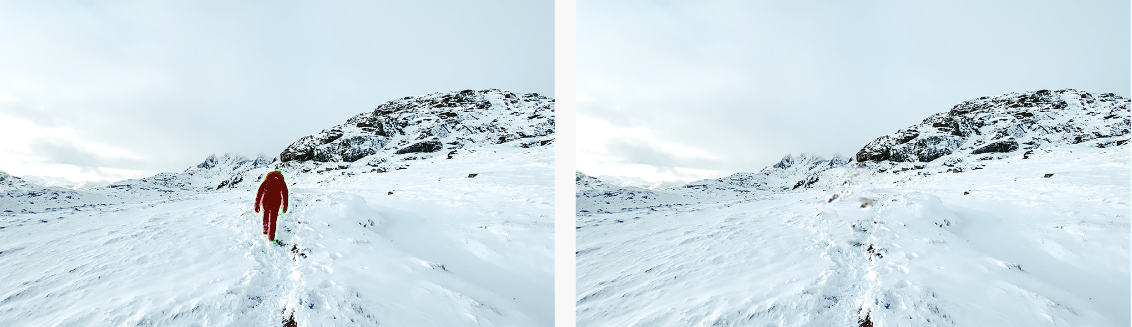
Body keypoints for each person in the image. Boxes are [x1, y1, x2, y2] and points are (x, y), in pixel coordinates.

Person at [255, 170, 289, 244]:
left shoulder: (266, 181)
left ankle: (265, 230)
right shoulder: (281, 182)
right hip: (276, 202)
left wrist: (257, 205)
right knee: (273, 220)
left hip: (266, 201)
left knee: (265, 216)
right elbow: (285, 194)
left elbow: (259, 193)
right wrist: (285, 206)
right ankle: (271, 238)